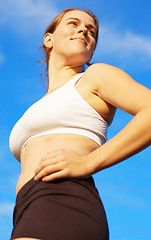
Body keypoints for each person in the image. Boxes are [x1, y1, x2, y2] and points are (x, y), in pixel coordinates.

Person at [9, 7, 151, 240]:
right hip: (25, 207)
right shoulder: (36, 107)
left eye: (91, 31)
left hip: (62, 194)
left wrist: (89, 162)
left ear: (92, 50)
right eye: (73, 24)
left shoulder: (94, 77)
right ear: (49, 39)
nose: (84, 30)